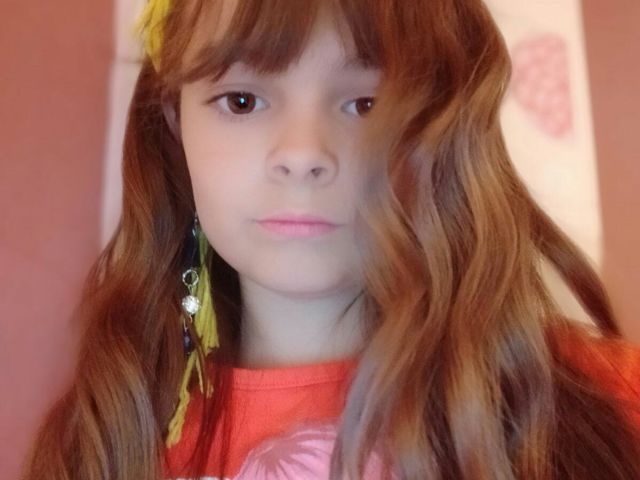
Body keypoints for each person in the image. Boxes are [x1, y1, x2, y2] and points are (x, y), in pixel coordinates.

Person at [21, 0, 640, 479]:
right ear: (175, 122)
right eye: (242, 100)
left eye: (366, 103)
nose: (303, 154)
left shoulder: (605, 402)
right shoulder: (108, 437)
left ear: (441, 124)